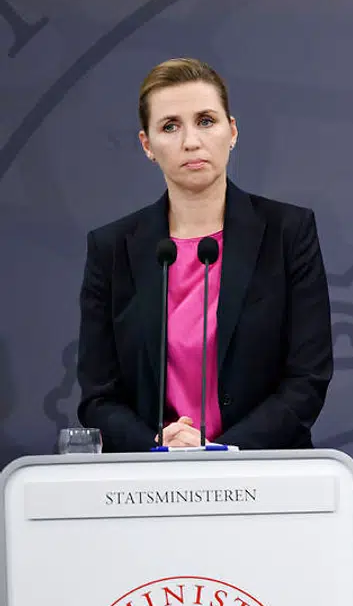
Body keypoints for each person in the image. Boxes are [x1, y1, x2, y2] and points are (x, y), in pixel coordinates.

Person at [76, 58, 333, 451]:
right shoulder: (111, 249)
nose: (191, 141)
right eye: (170, 126)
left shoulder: (288, 233)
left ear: (232, 131)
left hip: (263, 469)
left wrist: (221, 453)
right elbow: (98, 397)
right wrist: (159, 445)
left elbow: (307, 380)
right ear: (147, 145)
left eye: (206, 121)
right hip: (151, 474)